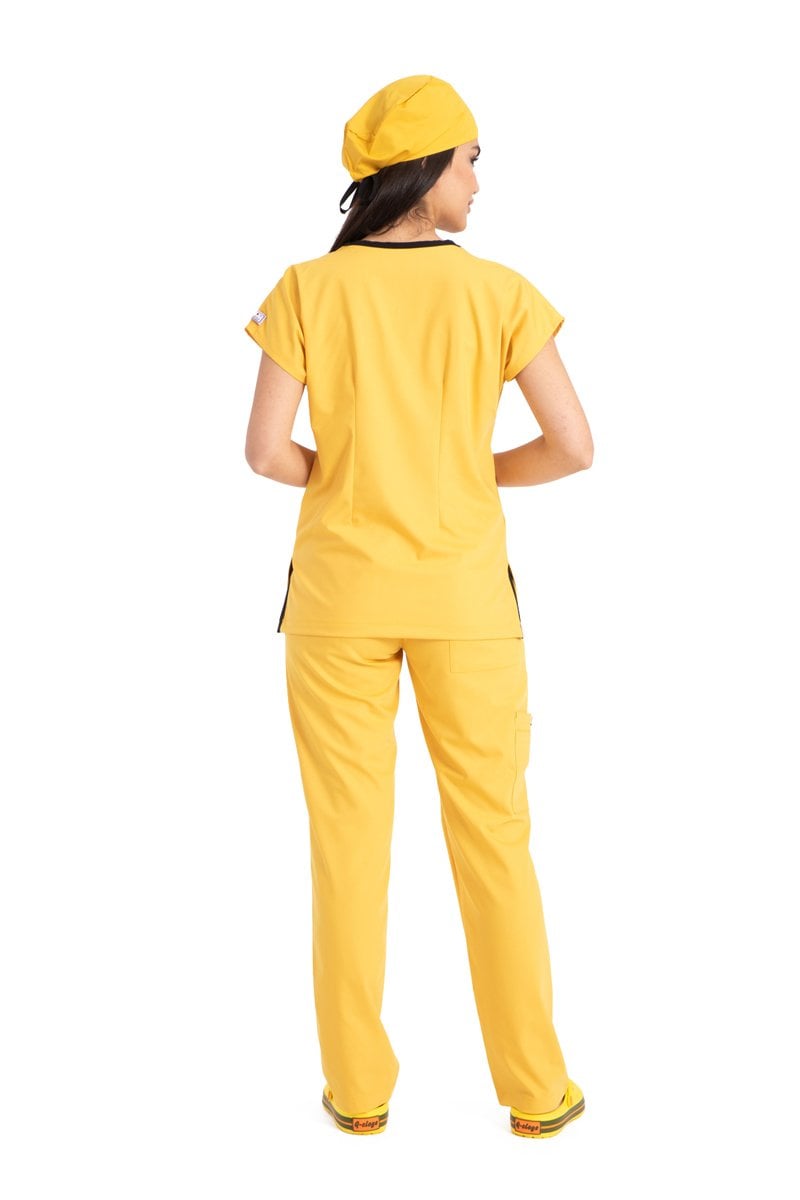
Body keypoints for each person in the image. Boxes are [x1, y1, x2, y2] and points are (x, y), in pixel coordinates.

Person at [243, 74, 593, 1138]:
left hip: (335, 604)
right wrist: (466, 476)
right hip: (465, 606)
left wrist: (351, 478)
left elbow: (265, 453)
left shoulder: (307, 288)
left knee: (346, 847)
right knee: (494, 840)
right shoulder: (498, 294)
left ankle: (357, 1095)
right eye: (470, 160)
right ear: (427, 169)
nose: (478, 182)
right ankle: (535, 1093)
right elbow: (572, 447)